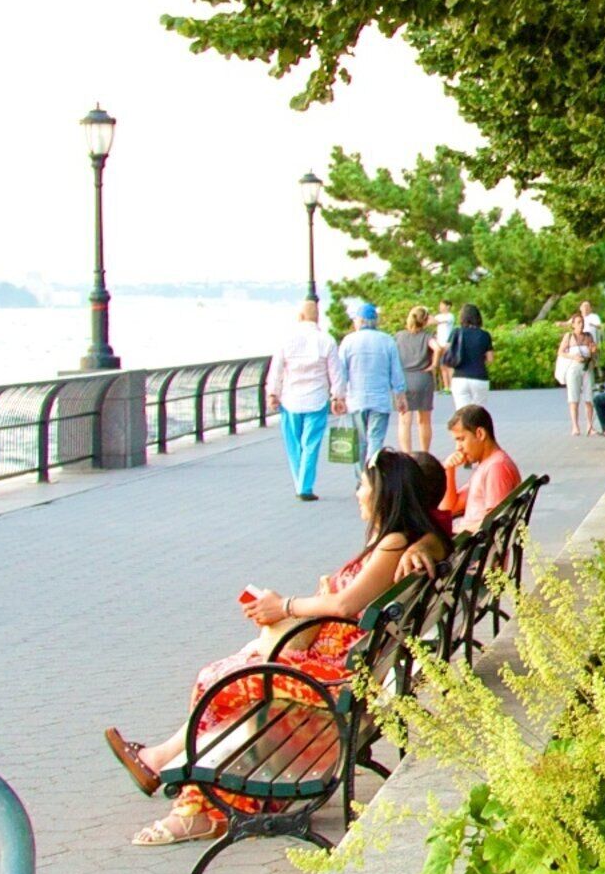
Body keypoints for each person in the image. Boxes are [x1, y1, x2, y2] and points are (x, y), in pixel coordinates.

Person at [106, 450, 448, 845]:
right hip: (345, 667)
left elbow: (344, 606)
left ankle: (197, 809)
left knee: (214, 680)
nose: (358, 494)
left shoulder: (393, 543)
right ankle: (170, 766)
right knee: (240, 669)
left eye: (364, 486)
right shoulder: (402, 541)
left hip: (337, 680)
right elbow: (435, 541)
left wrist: (282, 606)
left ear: (385, 493)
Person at [268, 299, 336, 500]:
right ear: (317, 317)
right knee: (311, 444)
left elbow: (276, 370)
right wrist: (338, 395)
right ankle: (305, 487)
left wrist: (273, 393)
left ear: (300, 317)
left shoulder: (286, 340)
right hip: (316, 398)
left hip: (290, 400)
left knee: (293, 444)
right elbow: (336, 372)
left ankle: (300, 482)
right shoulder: (327, 340)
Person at [331, 299, 404, 456]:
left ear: (360, 321)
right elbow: (396, 372)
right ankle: (372, 475)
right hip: (380, 400)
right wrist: (400, 396)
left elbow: (341, 373)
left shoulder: (348, 341)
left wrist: (338, 397)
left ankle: (362, 478)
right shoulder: (387, 341)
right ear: (375, 321)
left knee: (359, 442)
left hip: (356, 400)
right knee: (375, 439)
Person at [446, 402, 521, 531]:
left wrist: (456, 531)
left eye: (461, 439)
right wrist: (449, 470)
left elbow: (495, 521)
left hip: (476, 546)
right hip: (471, 544)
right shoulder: (487, 465)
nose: (458, 447)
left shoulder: (497, 467)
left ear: (480, 434)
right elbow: (449, 509)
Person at [393, 305, 440, 456]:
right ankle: (424, 453)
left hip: (404, 379)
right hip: (423, 379)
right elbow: (438, 348)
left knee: (404, 421)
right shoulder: (427, 336)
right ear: (425, 321)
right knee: (424, 421)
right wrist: (433, 365)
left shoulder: (399, 336)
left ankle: (407, 454)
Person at [446, 303, 495, 412]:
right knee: (478, 414)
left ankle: (465, 429)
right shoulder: (484, 335)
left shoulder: (456, 333)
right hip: (479, 377)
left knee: (462, 413)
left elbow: (448, 351)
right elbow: (490, 359)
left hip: (459, 378)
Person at [555, 306, 596, 435]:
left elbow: (593, 352)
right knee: (573, 397)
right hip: (573, 368)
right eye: (578, 322)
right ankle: (575, 426)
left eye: (582, 322)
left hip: (587, 368)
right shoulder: (569, 336)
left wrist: (593, 351)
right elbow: (561, 352)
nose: (581, 325)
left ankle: (590, 425)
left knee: (589, 397)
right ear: (572, 325)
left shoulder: (588, 336)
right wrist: (573, 356)